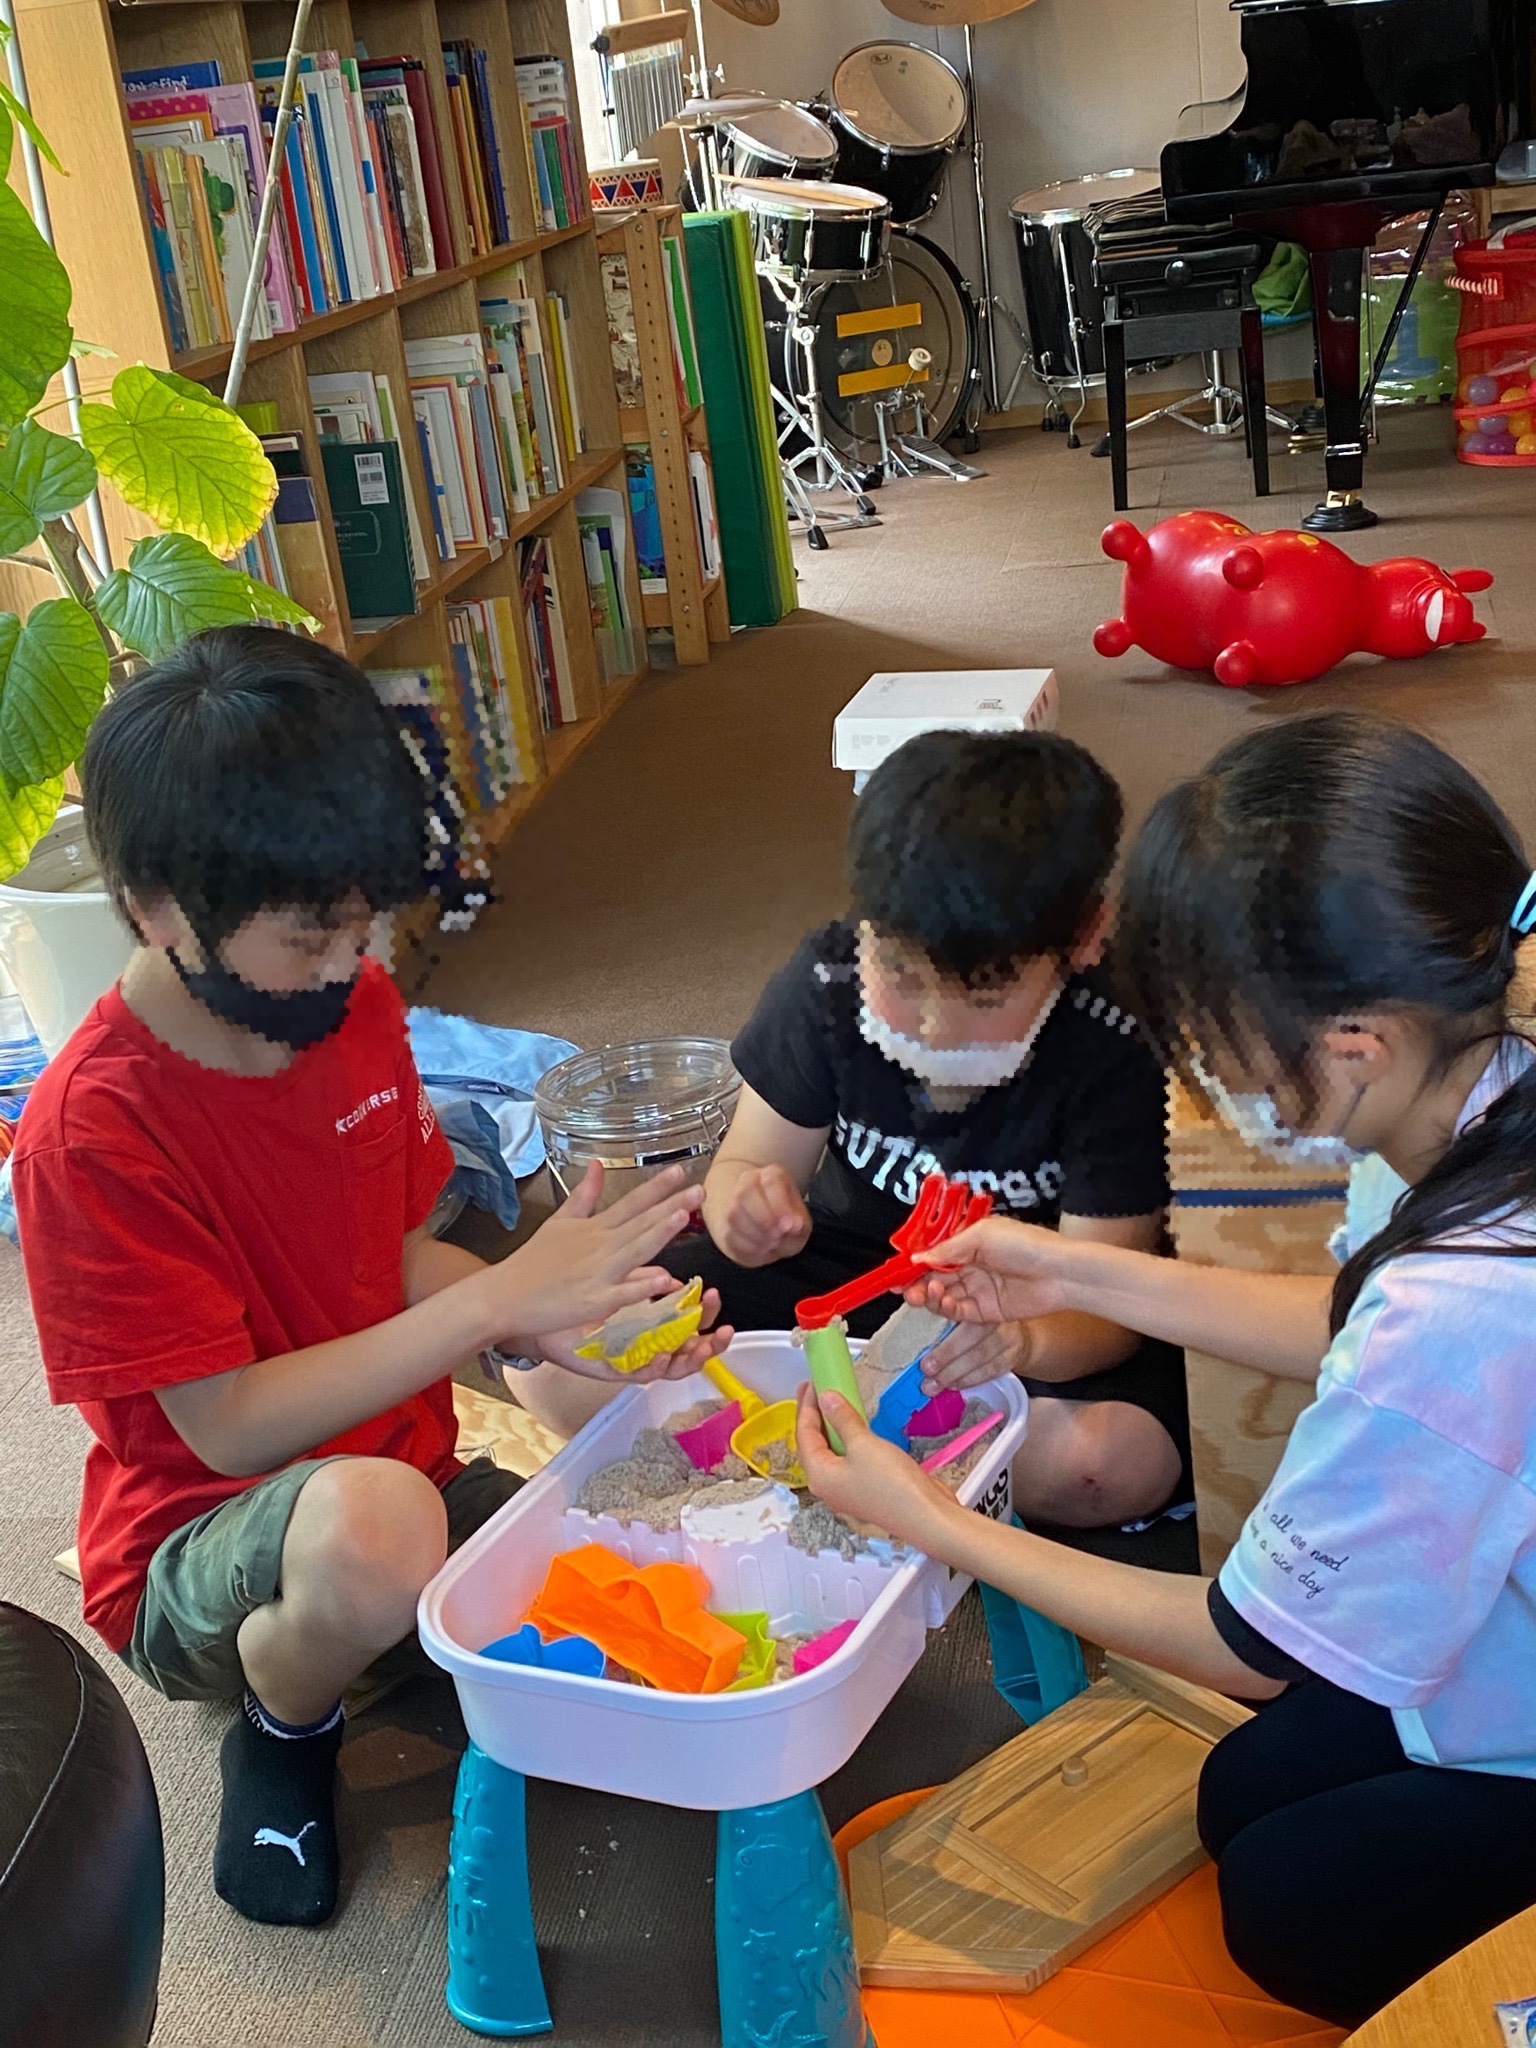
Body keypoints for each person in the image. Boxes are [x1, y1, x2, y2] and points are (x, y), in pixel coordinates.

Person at [795, 708, 1536, 2029]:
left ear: (1353, 1046)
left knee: (1283, 1909)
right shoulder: (1477, 1073)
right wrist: (1070, 1268)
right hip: (1498, 1622)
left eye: (1216, 1050)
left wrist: (932, 1517)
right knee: (1241, 1799)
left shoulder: (1462, 1303)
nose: (1207, 1080)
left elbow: (1243, 1645)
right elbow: (1354, 1321)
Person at [11, 628, 725, 1930]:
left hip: (408, 1475)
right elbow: (227, 1426)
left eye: (364, 926)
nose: (351, 966)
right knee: (379, 1531)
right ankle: (285, 1724)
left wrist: (557, 1327)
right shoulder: (91, 1130)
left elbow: (394, 1256)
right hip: (203, 1538)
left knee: (643, 1542)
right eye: (311, 938)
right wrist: (494, 1303)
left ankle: (408, 1613)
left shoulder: (355, 1010)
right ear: (158, 910)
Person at [662, 728, 1190, 1533]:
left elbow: (1109, 1302)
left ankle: (840, 1451)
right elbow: (747, 1165)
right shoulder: (828, 980)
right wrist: (745, 1212)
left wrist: (1022, 1343)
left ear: (1085, 938)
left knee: (1104, 1462)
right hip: (847, 1277)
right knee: (587, 1338)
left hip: (1027, 1314)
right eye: (902, 978)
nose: (935, 1028)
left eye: (984, 999)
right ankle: (894, 1460)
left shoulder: (1114, 1038)